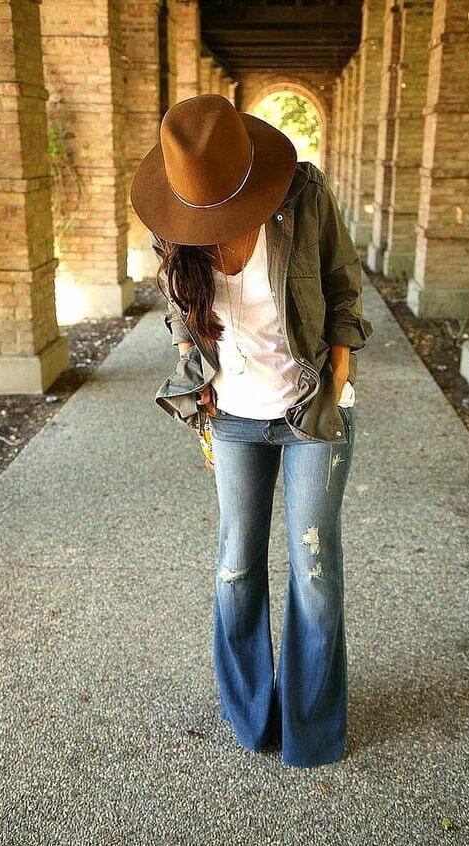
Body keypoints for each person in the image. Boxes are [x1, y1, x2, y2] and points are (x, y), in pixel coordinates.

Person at [130, 94, 374, 768]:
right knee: (236, 566)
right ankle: (250, 713)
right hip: (233, 417)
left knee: (315, 567)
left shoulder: (304, 196)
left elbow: (344, 290)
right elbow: (180, 313)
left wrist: (336, 378)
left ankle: (312, 728)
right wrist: (200, 396)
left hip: (310, 413)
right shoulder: (175, 221)